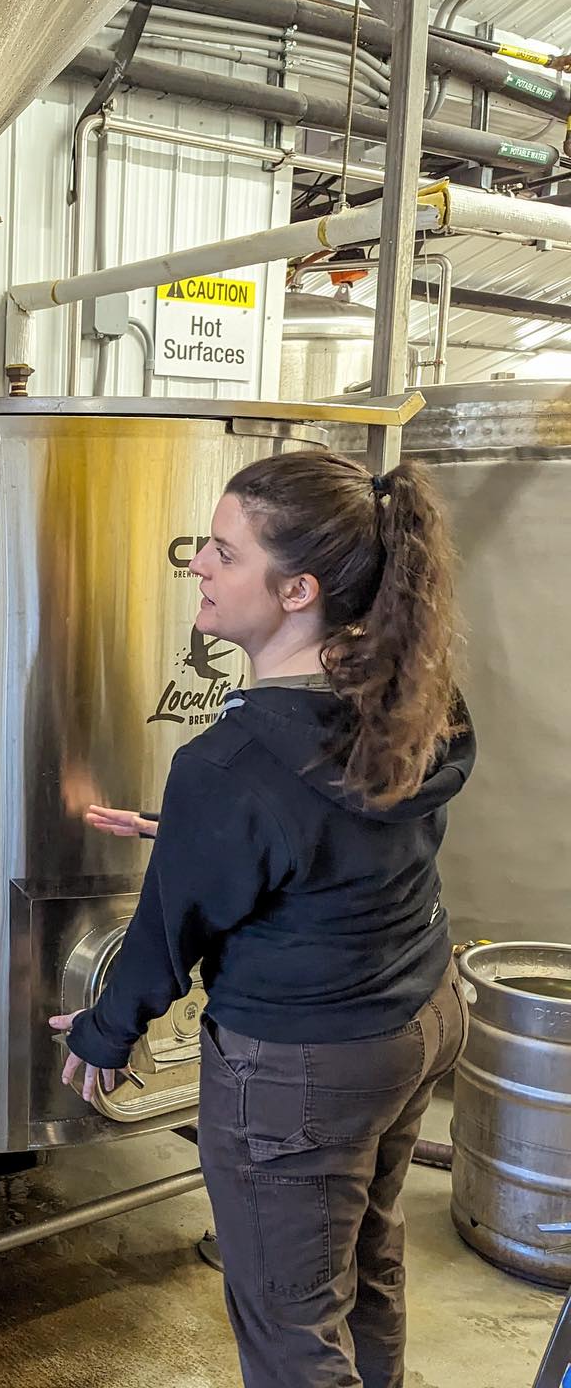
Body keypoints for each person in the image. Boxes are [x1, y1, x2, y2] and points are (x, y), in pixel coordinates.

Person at [50, 451, 475, 1388]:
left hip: (304, 1068)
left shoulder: (232, 763)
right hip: (423, 1011)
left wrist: (106, 1030)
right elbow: (344, 827)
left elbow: (167, 931)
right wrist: (198, 830)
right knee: (366, 1264)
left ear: (297, 591)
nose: (197, 564)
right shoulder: (410, 692)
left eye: (223, 552)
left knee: (291, 1325)